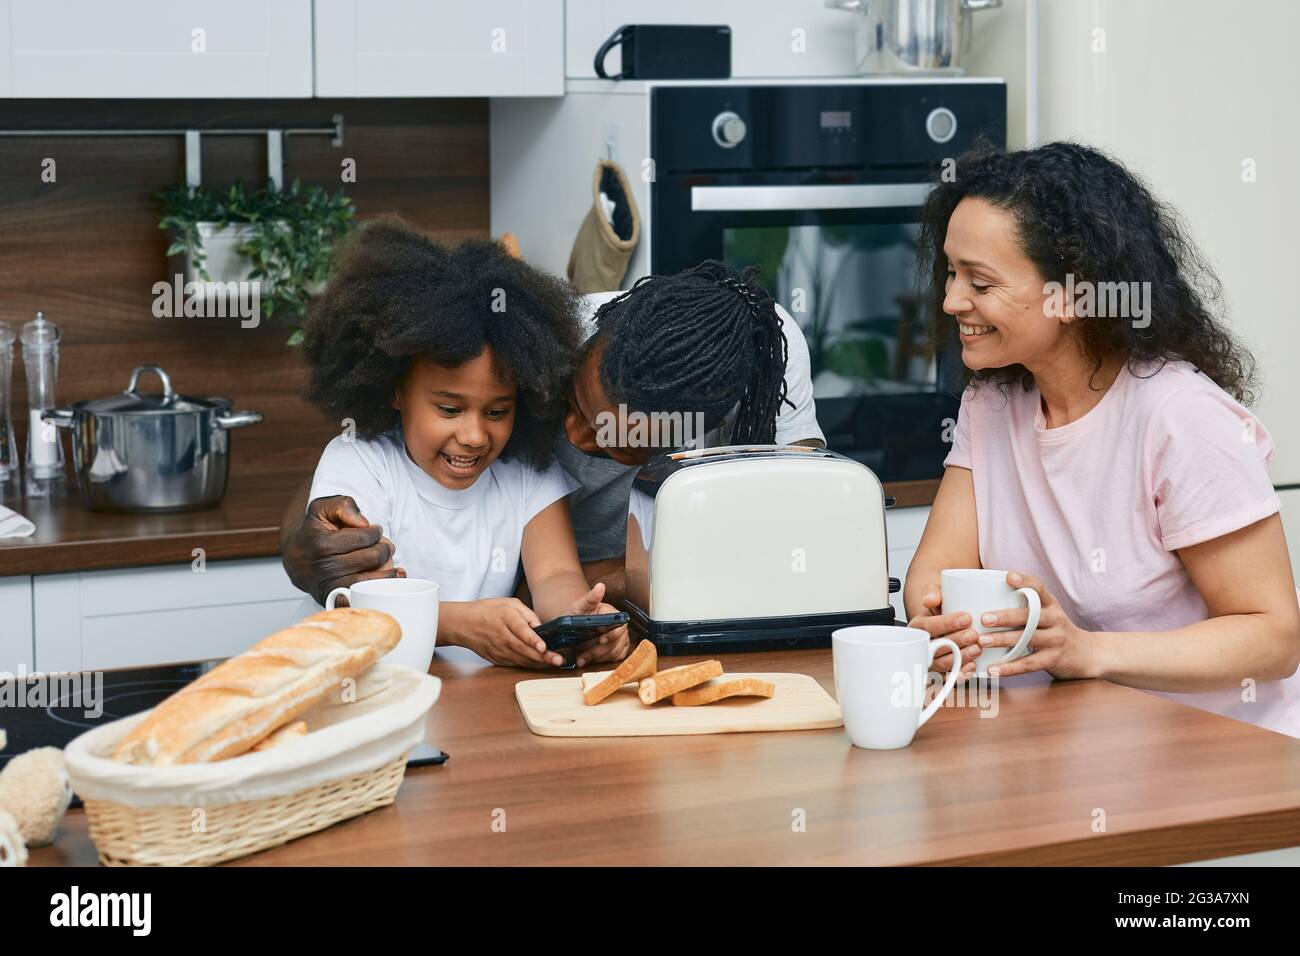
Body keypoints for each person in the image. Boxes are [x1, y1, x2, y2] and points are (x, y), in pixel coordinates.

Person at [903, 142, 1300, 736]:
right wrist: (936, 623)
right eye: (952, 273)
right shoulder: (991, 402)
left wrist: (1089, 652)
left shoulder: (1180, 418)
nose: (951, 300)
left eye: (980, 283)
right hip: (1077, 746)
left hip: (1225, 758)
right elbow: (935, 577)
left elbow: (1273, 636)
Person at [281, 259, 825, 609]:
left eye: (609, 436)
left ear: (681, 434)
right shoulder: (544, 340)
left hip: (597, 610)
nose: (569, 433)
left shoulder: (761, 363)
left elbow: (788, 541)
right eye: (572, 402)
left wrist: (596, 597)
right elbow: (354, 474)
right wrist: (304, 550)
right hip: (533, 601)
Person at [298, 218, 628, 669]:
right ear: (394, 391)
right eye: (449, 409)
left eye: (497, 412)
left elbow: (555, 574)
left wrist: (581, 618)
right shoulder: (358, 461)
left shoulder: (527, 475)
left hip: (467, 703)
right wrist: (457, 625)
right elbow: (353, 603)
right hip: (353, 684)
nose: (474, 436)